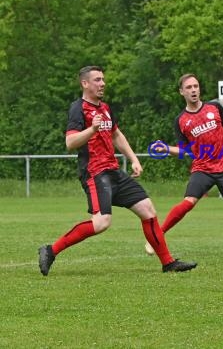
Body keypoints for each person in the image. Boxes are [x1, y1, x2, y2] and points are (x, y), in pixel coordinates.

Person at [38, 66, 197, 276]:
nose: (102, 83)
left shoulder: (104, 108)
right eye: (97, 80)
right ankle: (51, 250)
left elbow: (116, 135)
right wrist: (92, 129)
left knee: (148, 210)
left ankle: (168, 262)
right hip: (95, 173)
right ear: (85, 84)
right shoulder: (78, 108)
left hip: (113, 171)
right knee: (102, 222)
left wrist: (133, 159)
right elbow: (70, 142)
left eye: (103, 79)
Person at [144, 73, 223, 257]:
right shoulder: (181, 121)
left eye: (195, 86)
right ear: (181, 92)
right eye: (189, 88)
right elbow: (185, 150)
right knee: (188, 202)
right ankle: (156, 238)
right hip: (202, 167)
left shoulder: (214, 107)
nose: (193, 90)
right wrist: (167, 149)